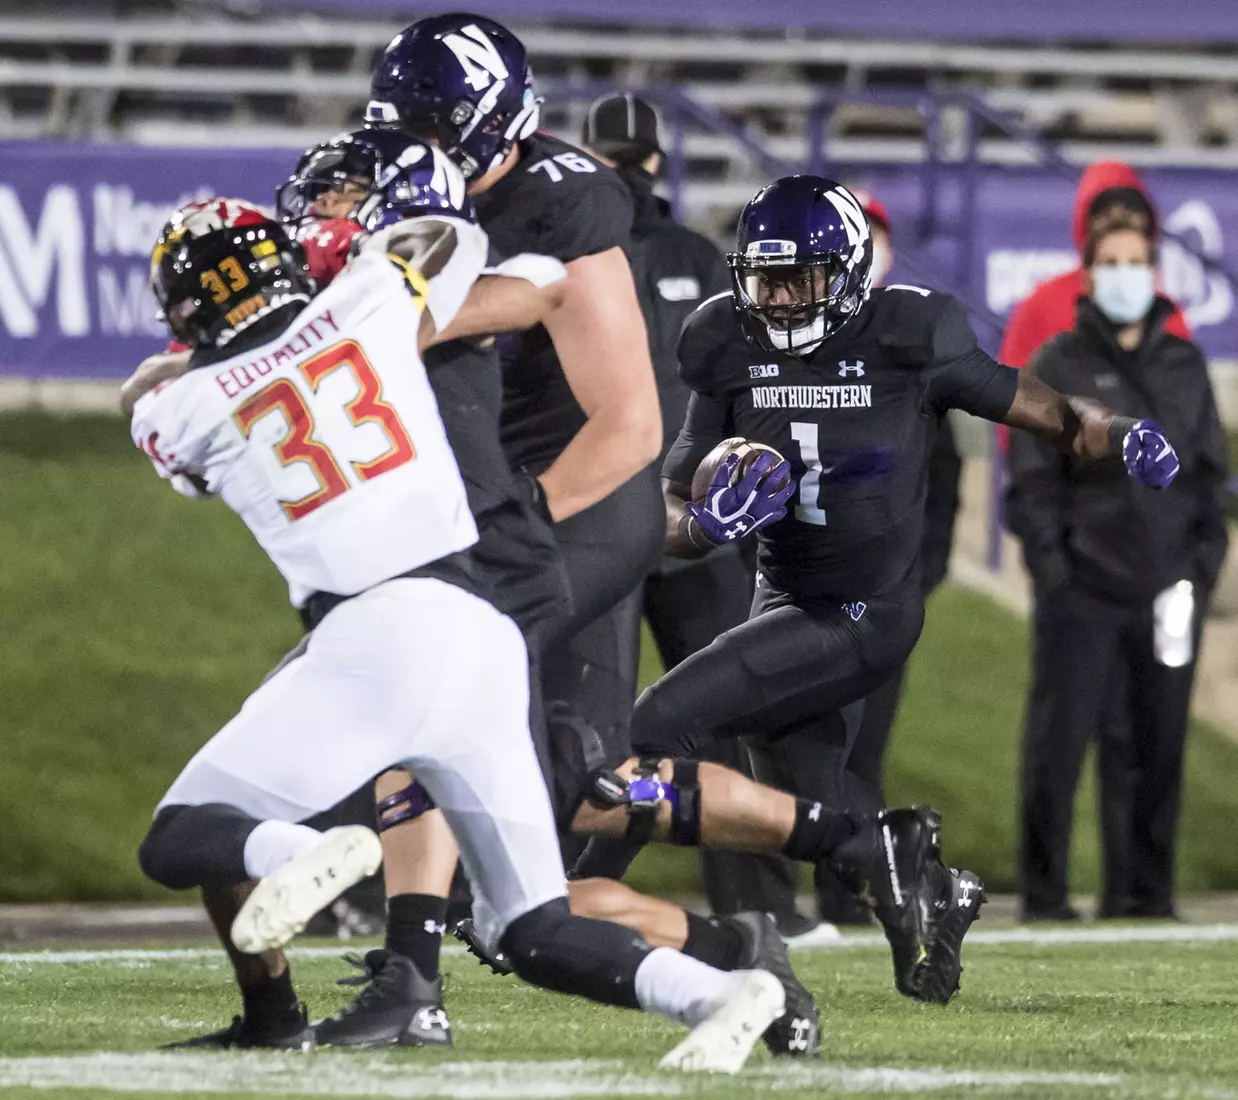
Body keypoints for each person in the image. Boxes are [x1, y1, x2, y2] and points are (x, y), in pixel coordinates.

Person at [131, 190, 789, 1074]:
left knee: (181, 831)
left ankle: (303, 851)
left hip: (375, 632)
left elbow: (166, 410)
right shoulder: (369, 298)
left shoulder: (182, 405)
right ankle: (717, 994)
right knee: (531, 924)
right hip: (482, 633)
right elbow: (499, 261)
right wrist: (371, 275)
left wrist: (177, 367)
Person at [575, 175, 1179, 930]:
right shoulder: (724, 337)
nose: (779, 299)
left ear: (851, 273)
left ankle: (565, 900)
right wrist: (702, 525)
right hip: (780, 597)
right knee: (816, 797)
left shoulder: (909, 336)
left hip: (867, 608)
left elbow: (1052, 413)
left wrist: (1119, 433)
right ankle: (931, 897)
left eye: (800, 279)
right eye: (765, 279)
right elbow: (666, 501)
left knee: (658, 721)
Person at [689, 190, 965, 934]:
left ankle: (864, 896)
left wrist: (911, 574)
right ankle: (799, 901)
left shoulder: (908, 352)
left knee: (852, 752)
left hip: (872, 592)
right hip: (787, 583)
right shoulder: (754, 350)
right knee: (772, 746)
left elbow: (940, 486)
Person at [1006, 217, 1229, 922]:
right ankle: (1044, 897)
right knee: (1059, 744)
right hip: (1082, 589)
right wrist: (1054, 568)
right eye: (1112, 261)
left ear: (1154, 272)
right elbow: (1032, 478)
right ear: (1090, 273)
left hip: (1168, 592)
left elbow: (1210, 478)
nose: (1125, 274)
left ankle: (1144, 896)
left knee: (1159, 744)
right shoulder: (1059, 361)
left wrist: (1200, 567)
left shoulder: (1183, 364)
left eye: (1137, 261)